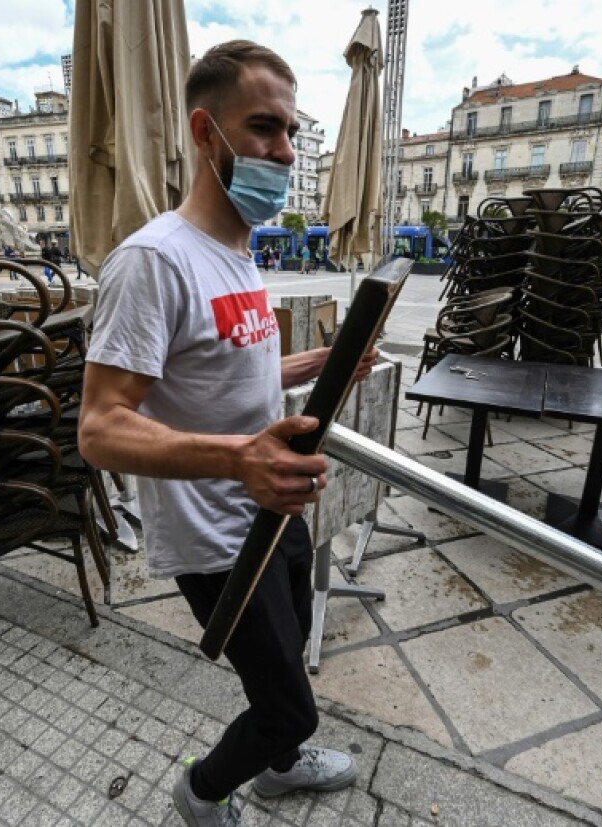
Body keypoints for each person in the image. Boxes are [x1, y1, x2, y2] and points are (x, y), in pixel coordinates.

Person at [78, 40, 373, 827]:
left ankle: (276, 771)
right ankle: (202, 791)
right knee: (291, 707)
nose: (284, 149)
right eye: (264, 128)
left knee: (286, 666)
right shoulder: (153, 262)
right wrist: (238, 459)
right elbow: (100, 428)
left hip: (277, 514)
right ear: (206, 134)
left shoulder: (240, 252)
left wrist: (318, 361)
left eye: (291, 131)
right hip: (218, 541)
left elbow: (222, 373)